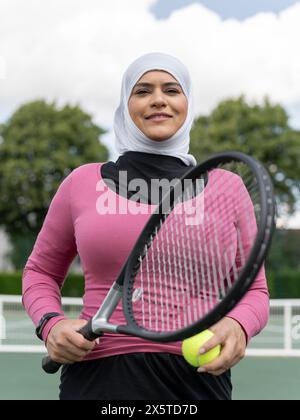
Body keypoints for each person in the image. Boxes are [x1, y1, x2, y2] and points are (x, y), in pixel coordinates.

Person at [22, 52, 269, 400]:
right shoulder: (81, 182)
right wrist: (52, 324)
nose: (158, 100)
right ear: (126, 104)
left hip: (198, 380)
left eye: (171, 89)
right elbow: (40, 272)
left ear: (187, 102)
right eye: (142, 91)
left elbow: (254, 291)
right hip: (97, 375)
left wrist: (238, 325)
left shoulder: (227, 187)